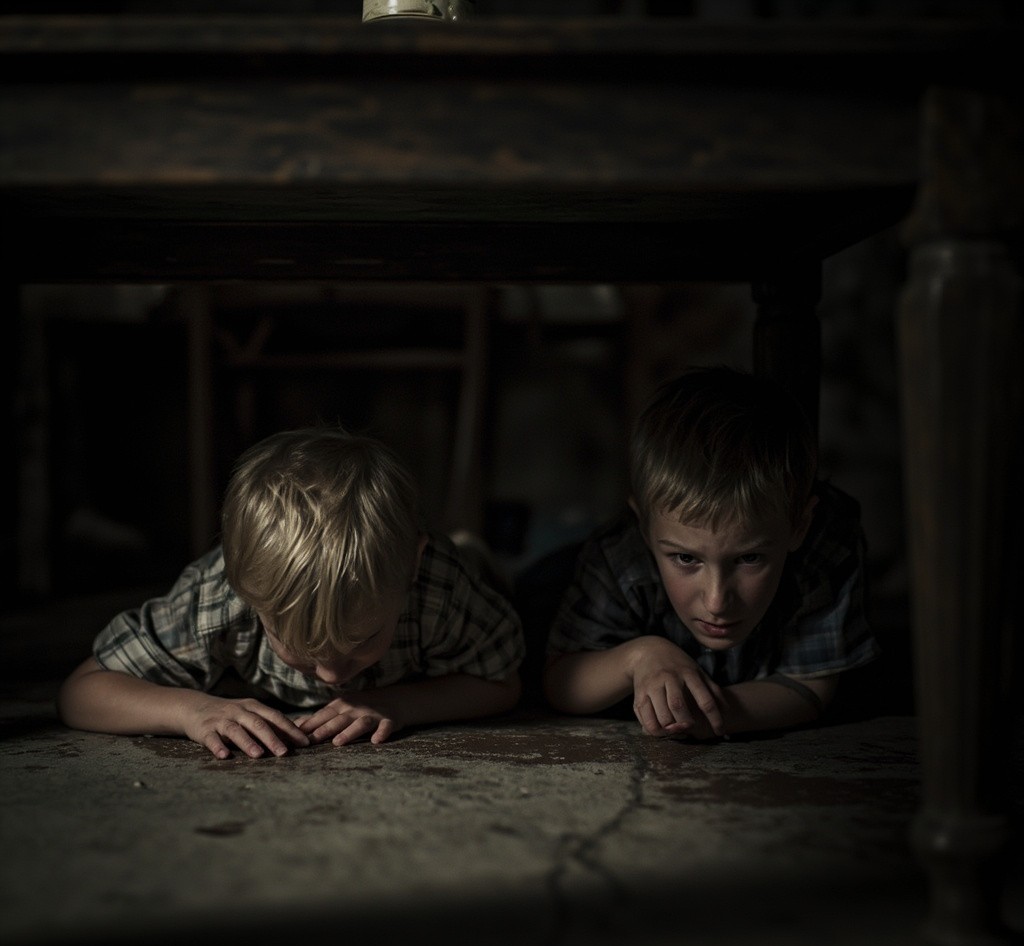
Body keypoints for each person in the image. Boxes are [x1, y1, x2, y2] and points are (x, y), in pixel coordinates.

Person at [58, 426, 525, 759]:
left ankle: (475, 550)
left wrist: (402, 703)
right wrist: (192, 710)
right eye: (301, 650)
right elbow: (81, 693)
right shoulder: (218, 598)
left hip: (466, 577)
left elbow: (502, 681)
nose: (331, 675)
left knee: (495, 578)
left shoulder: (438, 587)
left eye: (361, 641)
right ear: (246, 595)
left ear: (412, 571)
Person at [542, 365, 880, 741]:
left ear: (798, 527)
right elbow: (560, 681)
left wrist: (711, 715)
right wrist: (639, 657)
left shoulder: (826, 547)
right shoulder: (618, 557)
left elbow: (810, 687)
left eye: (749, 558)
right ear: (644, 528)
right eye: (686, 558)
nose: (717, 600)